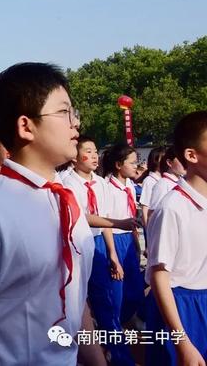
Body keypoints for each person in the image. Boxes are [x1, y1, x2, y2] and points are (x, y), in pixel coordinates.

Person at [0, 62, 104, 365]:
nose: (75, 123)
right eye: (64, 112)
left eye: (74, 113)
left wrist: (96, 360)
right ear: (26, 126)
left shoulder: (67, 200)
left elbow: (76, 298)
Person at [63, 136, 138, 365]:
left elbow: (104, 221)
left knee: (106, 301)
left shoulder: (100, 183)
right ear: (74, 157)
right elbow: (81, 217)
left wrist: (112, 254)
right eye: (88, 151)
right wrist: (117, 222)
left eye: (95, 151)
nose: (94, 155)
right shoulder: (67, 183)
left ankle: (119, 357)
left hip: (98, 246)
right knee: (74, 303)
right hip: (76, 245)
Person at [146, 111, 207, 365]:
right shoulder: (172, 207)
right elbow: (159, 276)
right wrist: (182, 342)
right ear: (191, 155)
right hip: (181, 307)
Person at [102, 144, 146, 331]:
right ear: (119, 165)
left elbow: (131, 218)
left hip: (129, 238)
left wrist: (135, 243)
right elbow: (106, 223)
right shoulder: (106, 188)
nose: (137, 166)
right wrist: (113, 254)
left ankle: (127, 319)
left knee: (135, 288)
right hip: (114, 239)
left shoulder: (129, 186)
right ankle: (114, 328)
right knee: (117, 289)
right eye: (133, 162)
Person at [148, 146, 187, 212]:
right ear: (169, 163)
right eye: (181, 160)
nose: (185, 163)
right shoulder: (163, 184)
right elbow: (153, 212)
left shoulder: (182, 182)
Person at [139, 146, 165, 228]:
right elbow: (145, 207)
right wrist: (147, 228)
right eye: (163, 158)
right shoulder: (149, 181)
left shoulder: (164, 179)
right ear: (155, 161)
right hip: (153, 224)